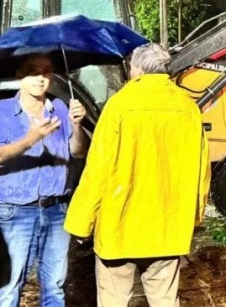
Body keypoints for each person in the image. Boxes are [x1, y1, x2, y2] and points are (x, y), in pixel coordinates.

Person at [64, 43, 210, 307]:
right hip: (167, 228)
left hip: (119, 227)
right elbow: (201, 171)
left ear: (139, 69)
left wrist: (80, 223)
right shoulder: (188, 108)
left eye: (131, 66)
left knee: (113, 300)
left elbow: (98, 169)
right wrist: (194, 218)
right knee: (165, 300)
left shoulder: (119, 105)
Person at [0, 53, 87, 307]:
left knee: (55, 288)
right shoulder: (3, 111)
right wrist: (31, 138)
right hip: (15, 211)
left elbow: (78, 152)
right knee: (9, 289)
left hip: (56, 210)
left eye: (46, 71)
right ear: (19, 75)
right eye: (32, 71)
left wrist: (77, 126)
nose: (40, 78)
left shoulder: (60, 108)